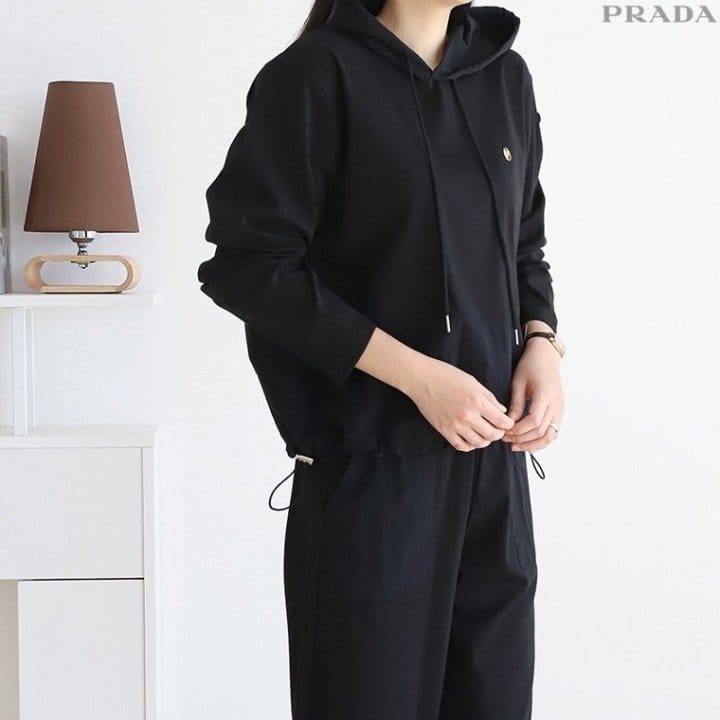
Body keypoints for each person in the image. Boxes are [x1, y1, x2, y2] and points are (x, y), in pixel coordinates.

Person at [197, 0, 566, 717]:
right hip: (371, 473)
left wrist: (543, 342)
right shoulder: (313, 77)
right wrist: (419, 377)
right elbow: (249, 267)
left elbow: (525, 241)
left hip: (493, 469)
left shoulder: (506, 78)